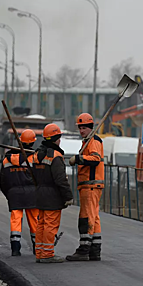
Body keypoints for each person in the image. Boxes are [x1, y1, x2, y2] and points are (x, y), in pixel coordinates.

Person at [32, 123, 74, 263]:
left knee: (41, 224)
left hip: (40, 193)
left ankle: (39, 252)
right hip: (52, 196)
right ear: (56, 138)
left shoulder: (37, 154)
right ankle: (47, 254)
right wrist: (68, 196)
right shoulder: (55, 156)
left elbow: (34, 174)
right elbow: (60, 179)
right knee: (50, 225)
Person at [66, 113, 104, 262]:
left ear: (90, 127)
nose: (81, 131)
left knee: (86, 217)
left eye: (84, 128)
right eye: (80, 128)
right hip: (91, 185)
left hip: (91, 184)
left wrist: (78, 158)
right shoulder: (88, 141)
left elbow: (95, 159)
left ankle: (84, 249)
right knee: (94, 218)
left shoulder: (93, 141)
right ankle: (95, 250)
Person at [0, 129, 39, 256]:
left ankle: (15, 248)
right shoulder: (34, 158)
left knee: (15, 220)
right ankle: (36, 248)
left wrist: (9, 194)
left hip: (14, 194)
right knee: (35, 221)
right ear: (33, 143)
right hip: (32, 194)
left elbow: (2, 181)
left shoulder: (7, 160)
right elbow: (40, 178)